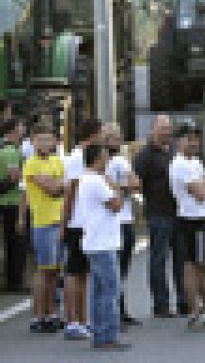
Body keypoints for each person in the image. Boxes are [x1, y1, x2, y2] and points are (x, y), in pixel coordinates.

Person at [76, 144, 128, 351]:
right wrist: (116, 187)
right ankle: (108, 335)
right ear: (97, 159)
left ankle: (99, 333)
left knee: (98, 291)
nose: (107, 161)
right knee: (110, 290)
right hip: (103, 243)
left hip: (94, 241)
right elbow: (116, 205)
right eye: (105, 157)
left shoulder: (85, 179)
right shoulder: (97, 181)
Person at [133, 115, 186, 317]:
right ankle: (161, 303)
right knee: (159, 259)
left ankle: (184, 301)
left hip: (179, 212)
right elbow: (136, 182)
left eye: (168, 128)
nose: (166, 132)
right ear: (153, 129)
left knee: (182, 259)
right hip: (158, 213)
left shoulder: (175, 150)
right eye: (162, 128)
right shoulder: (144, 155)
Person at [169, 122, 205, 329]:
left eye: (196, 138)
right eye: (189, 138)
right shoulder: (180, 164)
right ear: (179, 141)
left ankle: (202, 309)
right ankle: (200, 310)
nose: (193, 142)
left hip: (201, 218)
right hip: (193, 219)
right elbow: (201, 193)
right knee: (195, 266)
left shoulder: (196, 162)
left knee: (200, 265)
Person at [61, 118, 103, 338]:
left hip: (86, 222)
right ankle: (72, 320)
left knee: (83, 273)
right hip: (77, 222)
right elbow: (71, 193)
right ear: (93, 135)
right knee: (73, 272)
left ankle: (83, 319)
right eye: (101, 133)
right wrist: (65, 222)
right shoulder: (78, 158)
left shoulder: (86, 157)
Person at [20, 124, 64, 333]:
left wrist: (58, 184)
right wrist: (58, 184)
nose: (45, 143)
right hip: (43, 222)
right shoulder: (31, 164)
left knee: (55, 271)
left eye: (49, 139)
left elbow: (63, 186)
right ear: (33, 141)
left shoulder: (57, 161)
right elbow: (54, 189)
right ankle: (38, 316)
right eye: (41, 139)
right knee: (43, 270)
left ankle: (52, 313)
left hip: (58, 219)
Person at [103, 123, 142, 327]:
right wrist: (121, 187)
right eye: (110, 136)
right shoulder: (99, 161)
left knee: (123, 269)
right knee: (111, 269)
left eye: (118, 136)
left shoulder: (121, 160)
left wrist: (118, 187)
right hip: (110, 221)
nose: (115, 140)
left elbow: (136, 184)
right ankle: (112, 312)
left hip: (125, 219)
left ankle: (121, 309)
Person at [0, 118, 26, 293]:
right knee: (16, 244)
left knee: (9, 243)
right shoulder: (11, 152)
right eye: (21, 126)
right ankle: (15, 282)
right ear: (14, 130)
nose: (23, 129)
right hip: (12, 202)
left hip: (6, 202)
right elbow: (14, 177)